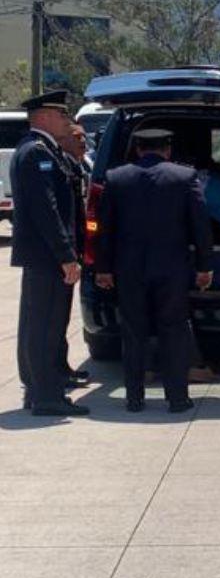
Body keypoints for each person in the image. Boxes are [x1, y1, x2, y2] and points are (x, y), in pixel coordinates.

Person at [96, 128, 214, 413]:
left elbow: (104, 230)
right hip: (171, 269)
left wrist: (103, 268)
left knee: (133, 333)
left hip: (129, 270)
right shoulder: (185, 177)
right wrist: (204, 266)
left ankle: (134, 398)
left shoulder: (116, 177)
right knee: (173, 332)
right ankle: (177, 398)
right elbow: (200, 226)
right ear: (167, 149)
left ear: (138, 149)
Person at [11, 90, 87, 417]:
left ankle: (41, 389)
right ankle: (45, 395)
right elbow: (47, 210)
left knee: (43, 326)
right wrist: (66, 254)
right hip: (46, 257)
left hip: (45, 257)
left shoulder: (44, 151)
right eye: (61, 114)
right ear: (43, 116)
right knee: (43, 327)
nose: (66, 120)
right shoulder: (36, 153)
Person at [57, 121, 91, 391]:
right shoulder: (60, 164)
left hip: (75, 249)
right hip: (61, 255)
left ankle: (62, 367)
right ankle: (54, 373)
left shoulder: (81, 165)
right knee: (54, 319)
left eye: (84, 137)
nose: (84, 142)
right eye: (77, 137)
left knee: (63, 316)